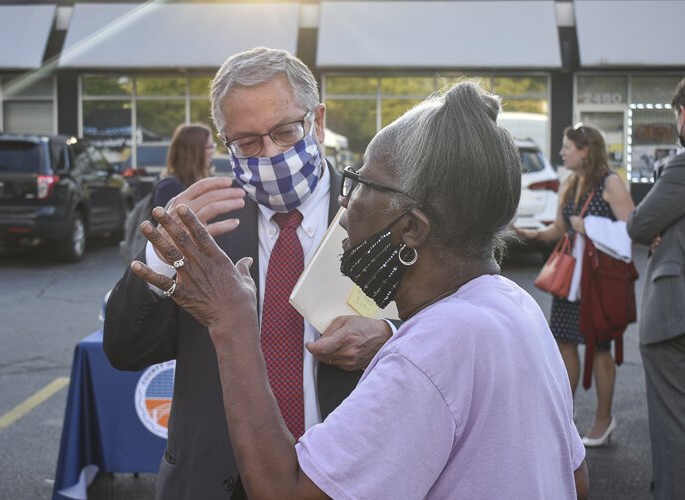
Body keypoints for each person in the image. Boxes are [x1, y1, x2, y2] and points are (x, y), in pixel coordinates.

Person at [134, 82, 589, 498]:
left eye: (362, 184)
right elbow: (575, 480)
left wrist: (231, 320)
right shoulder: (515, 306)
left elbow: (282, 493)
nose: (345, 206)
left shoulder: (431, 351)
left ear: (411, 228)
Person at [103, 47, 394, 499]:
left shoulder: (380, 214)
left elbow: (445, 327)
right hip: (217, 480)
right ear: (224, 143)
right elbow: (124, 349)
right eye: (248, 144)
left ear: (317, 122)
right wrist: (161, 253)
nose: (272, 153)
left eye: (285, 132)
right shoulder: (202, 226)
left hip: (347, 476)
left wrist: (388, 334)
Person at [516, 124, 634, 447]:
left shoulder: (610, 184)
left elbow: (633, 228)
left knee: (600, 349)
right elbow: (560, 228)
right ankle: (566, 414)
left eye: (567, 147)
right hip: (571, 283)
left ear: (585, 150)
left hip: (597, 281)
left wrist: (591, 226)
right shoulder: (569, 183)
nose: (561, 152)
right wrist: (534, 235)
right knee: (565, 343)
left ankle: (603, 420)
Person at [626, 77, 685, 500]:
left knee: (673, 425)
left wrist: (662, 226)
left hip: (674, 316)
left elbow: (639, 224)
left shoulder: (682, 168)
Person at [151, 123, 215, 208]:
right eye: (210, 147)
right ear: (193, 151)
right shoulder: (169, 188)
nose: (213, 152)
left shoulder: (202, 179)